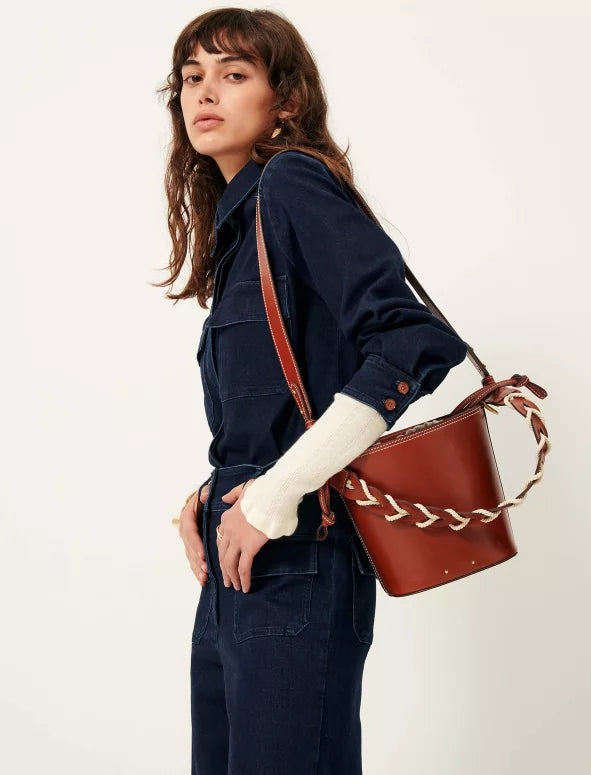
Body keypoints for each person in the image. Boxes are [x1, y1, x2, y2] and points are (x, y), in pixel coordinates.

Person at [156, 9, 469, 775]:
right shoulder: (242, 226)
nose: (205, 92)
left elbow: (413, 340)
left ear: (286, 100)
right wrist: (215, 491)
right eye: (192, 77)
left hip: (297, 550)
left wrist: (275, 491)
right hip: (240, 559)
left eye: (234, 74)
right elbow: (281, 398)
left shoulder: (292, 183)